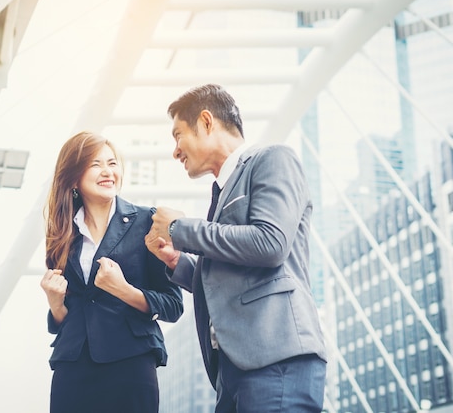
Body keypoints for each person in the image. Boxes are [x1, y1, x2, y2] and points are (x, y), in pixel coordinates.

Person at [145, 84, 327, 413]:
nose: (175, 151)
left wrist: (180, 229)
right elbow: (229, 272)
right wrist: (179, 263)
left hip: (276, 357)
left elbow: (270, 244)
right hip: (232, 370)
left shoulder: (273, 158)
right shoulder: (221, 192)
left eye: (178, 135)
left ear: (206, 121)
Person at [40, 131, 183, 413]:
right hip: (73, 367)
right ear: (73, 178)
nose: (107, 171)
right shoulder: (62, 233)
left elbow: (173, 304)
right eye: (95, 164)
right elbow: (68, 313)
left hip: (130, 364)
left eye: (112, 163)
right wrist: (55, 305)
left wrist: (124, 290)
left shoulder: (147, 222)